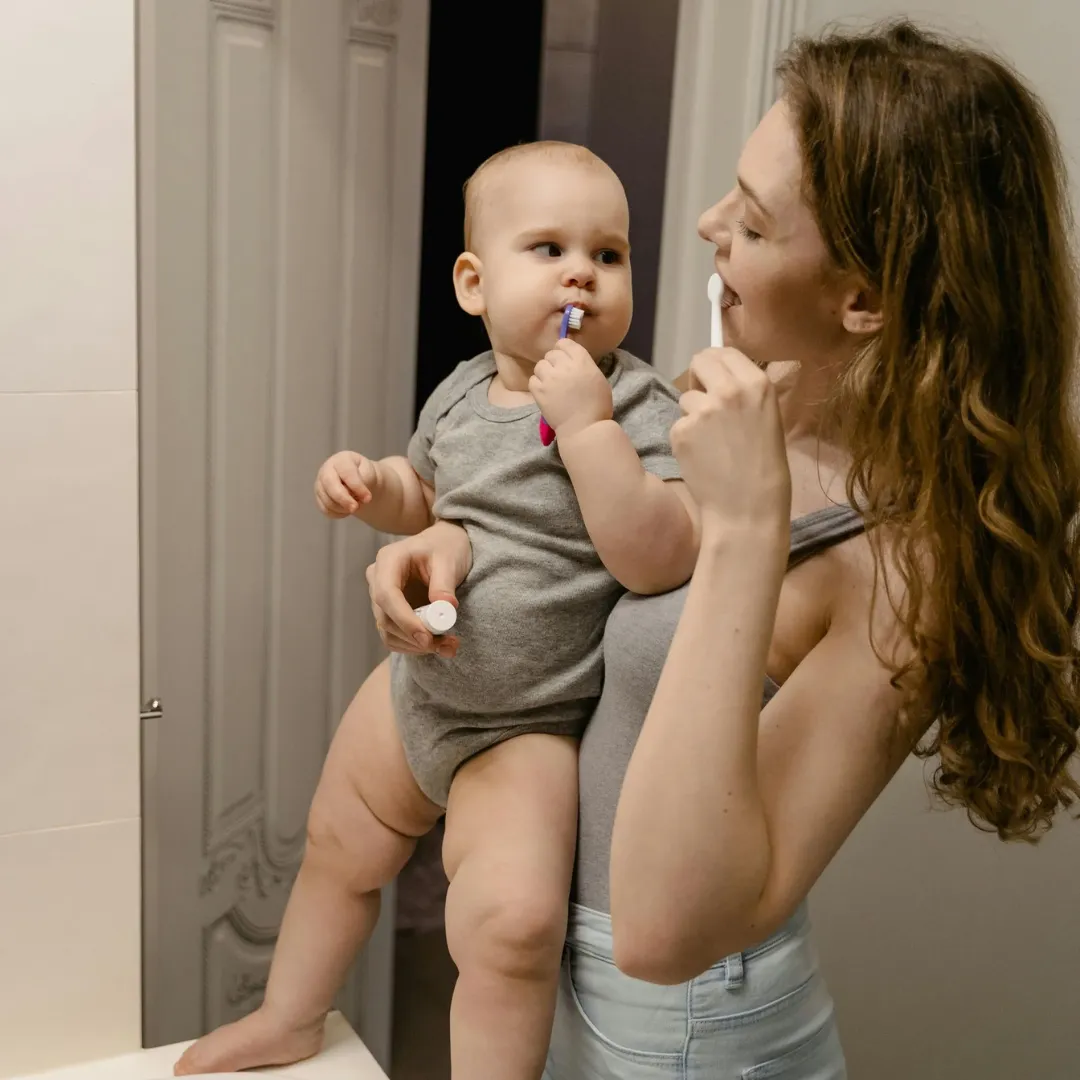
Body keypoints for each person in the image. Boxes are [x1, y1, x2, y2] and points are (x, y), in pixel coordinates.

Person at [365, 20, 1080, 1078]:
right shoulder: (753, 417)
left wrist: (745, 529)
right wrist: (440, 540)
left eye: (749, 220)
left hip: (686, 1024)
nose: (705, 226)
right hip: (578, 971)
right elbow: (588, 573)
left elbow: (667, 931)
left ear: (865, 298)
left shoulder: (904, 562)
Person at [174, 141, 698, 1079]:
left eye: (609, 254)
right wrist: (370, 483)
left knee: (510, 927)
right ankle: (292, 1013)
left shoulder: (638, 401)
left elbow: (658, 555)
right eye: (548, 248)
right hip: (419, 691)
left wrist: (587, 427)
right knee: (336, 846)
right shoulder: (461, 392)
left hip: (530, 726)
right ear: (474, 283)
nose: (583, 270)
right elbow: (427, 495)